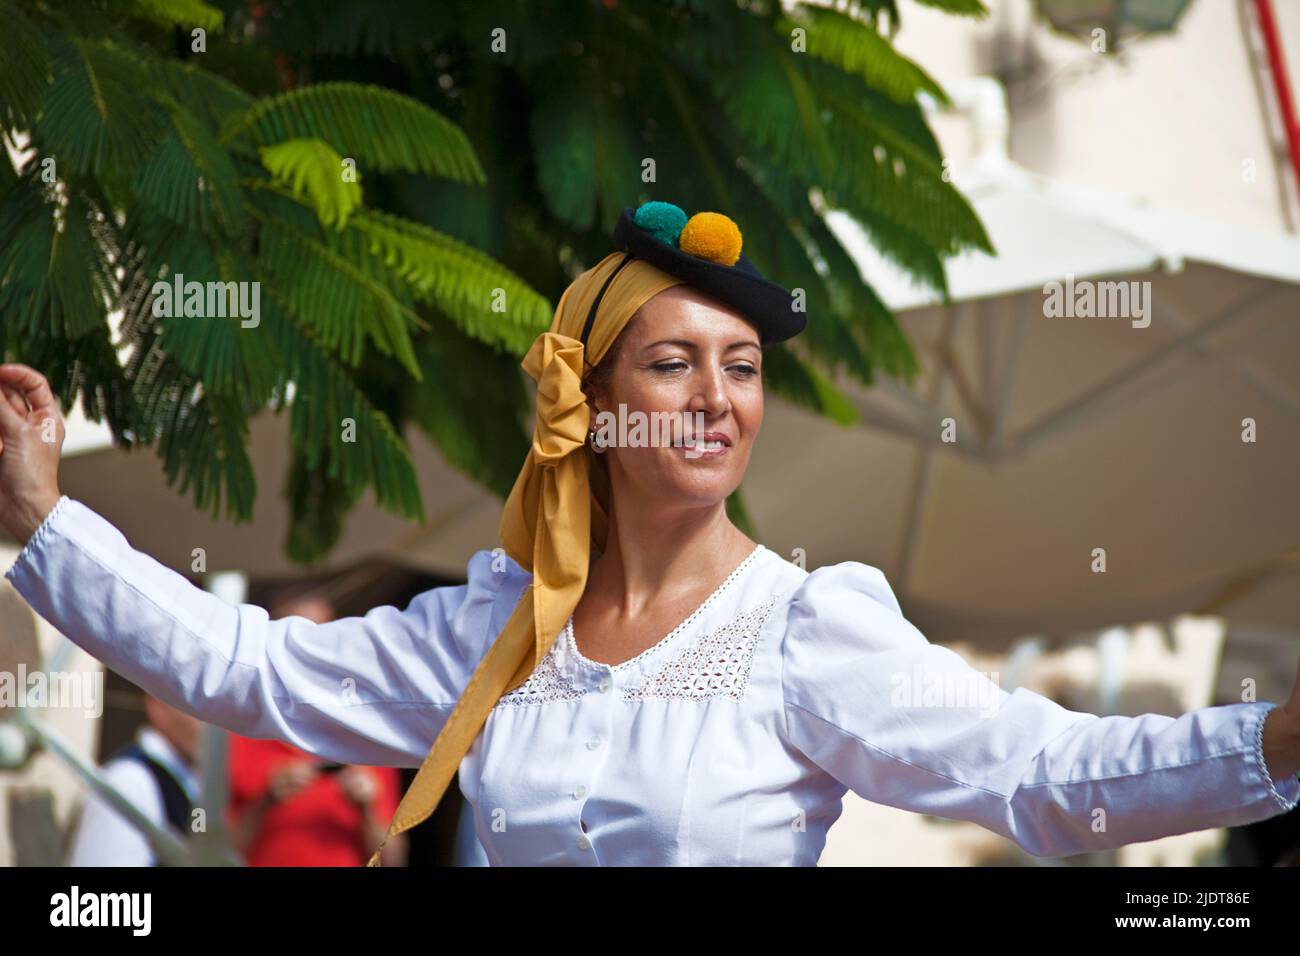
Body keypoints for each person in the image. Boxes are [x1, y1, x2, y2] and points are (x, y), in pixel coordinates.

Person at [3, 198, 1300, 867]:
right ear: (589, 400)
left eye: (741, 368)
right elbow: (245, 669)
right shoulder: (497, 631)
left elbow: (1046, 780)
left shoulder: (809, 631)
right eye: (674, 363)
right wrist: (44, 518)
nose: (718, 399)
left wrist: (1275, 739)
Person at [226, 591, 408, 867]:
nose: (311, 653)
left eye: (321, 639)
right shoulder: (239, 729)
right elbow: (214, 850)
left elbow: (393, 860)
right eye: (297, 639)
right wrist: (265, 802)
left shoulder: (367, 733)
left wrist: (366, 810)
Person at [66, 695, 202, 866]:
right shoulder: (129, 782)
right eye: (200, 705)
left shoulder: (195, 785)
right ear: (158, 703)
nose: (216, 720)